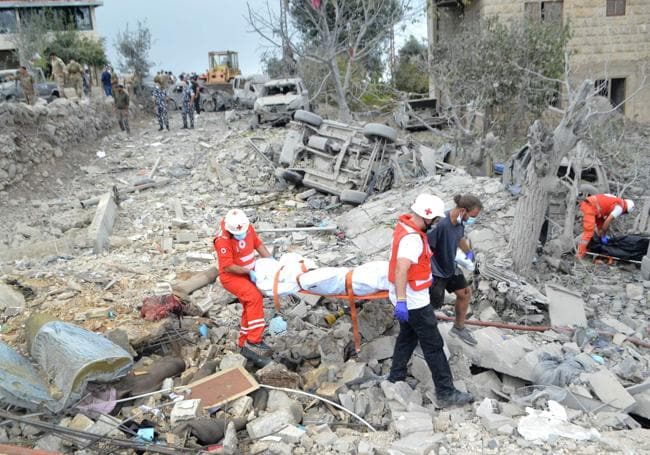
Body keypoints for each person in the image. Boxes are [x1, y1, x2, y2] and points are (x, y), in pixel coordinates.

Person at [387, 193, 475, 408]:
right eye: (434, 219)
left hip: (408, 298)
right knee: (434, 345)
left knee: (407, 336)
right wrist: (401, 301)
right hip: (413, 301)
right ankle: (446, 392)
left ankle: (395, 376)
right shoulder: (413, 239)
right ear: (426, 217)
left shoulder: (406, 227)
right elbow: (401, 269)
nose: (436, 223)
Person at [214, 209, 273, 362]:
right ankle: (254, 340)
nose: (241, 235)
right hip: (232, 277)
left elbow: (258, 245)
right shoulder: (222, 240)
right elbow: (227, 266)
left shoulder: (246, 227)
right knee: (254, 297)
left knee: (249, 303)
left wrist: (272, 262)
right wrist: (248, 272)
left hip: (247, 272)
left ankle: (244, 340)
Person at [428, 194, 482, 346]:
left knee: (465, 293)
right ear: (463, 210)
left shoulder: (459, 223)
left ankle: (459, 327)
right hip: (435, 271)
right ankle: (423, 337)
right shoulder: (440, 224)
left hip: (450, 267)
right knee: (430, 308)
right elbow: (426, 248)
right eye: (472, 216)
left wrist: (469, 253)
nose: (472, 219)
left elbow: (459, 239)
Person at [577, 194, 635, 259]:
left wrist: (602, 232)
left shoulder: (616, 199)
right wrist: (603, 236)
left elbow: (602, 200)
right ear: (626, 210)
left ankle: (594, 245)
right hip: (590, 207)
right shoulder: (620, 208)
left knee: (601, 227)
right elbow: (607, 221)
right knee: (589, 232)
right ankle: (580, 254)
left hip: (596, 208)